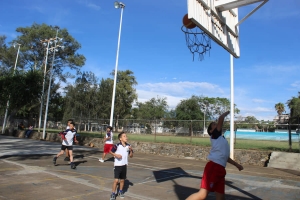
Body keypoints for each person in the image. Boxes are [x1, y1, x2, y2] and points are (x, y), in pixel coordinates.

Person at [186, 111, 243, 200]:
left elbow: (225, 157)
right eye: (214, 125)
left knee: (220, 198)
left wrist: (237, 165)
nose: (216, 125)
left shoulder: (221, 139)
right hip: (213, 167)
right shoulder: (215, 135)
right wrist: (227, 113)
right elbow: (221, 118)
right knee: (202, 195)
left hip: (220, 170)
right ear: (211, 131)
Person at [109, 132, 133, 200]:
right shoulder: (117, 145)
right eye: (124, 136)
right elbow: (110, 151)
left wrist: (131, 150)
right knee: (116, 181)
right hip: (117, 165)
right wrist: (116, 155)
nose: (126, 137)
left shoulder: (128, 146)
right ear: (120, 138)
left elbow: (131, 156)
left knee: (122, 180)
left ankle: (121, 191)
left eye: (126, 136)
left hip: (124, 165)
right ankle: (113, 193)